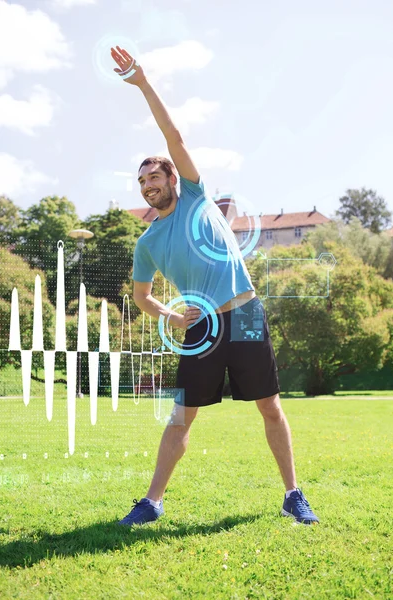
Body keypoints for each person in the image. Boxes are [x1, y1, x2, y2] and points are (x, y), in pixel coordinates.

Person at [110, 46, 319, 526]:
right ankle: (152, 501)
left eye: (155, 176)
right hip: (201, 327)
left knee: (269, 406)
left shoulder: (196, 197)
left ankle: (293, 494)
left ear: (173, 179)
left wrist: (142, 82)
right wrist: (169, 315)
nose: (148, 185)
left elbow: (173, 134)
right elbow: (142, 297)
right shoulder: (147, 242)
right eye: (142, 181)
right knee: (182, 415)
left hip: (244, 313)